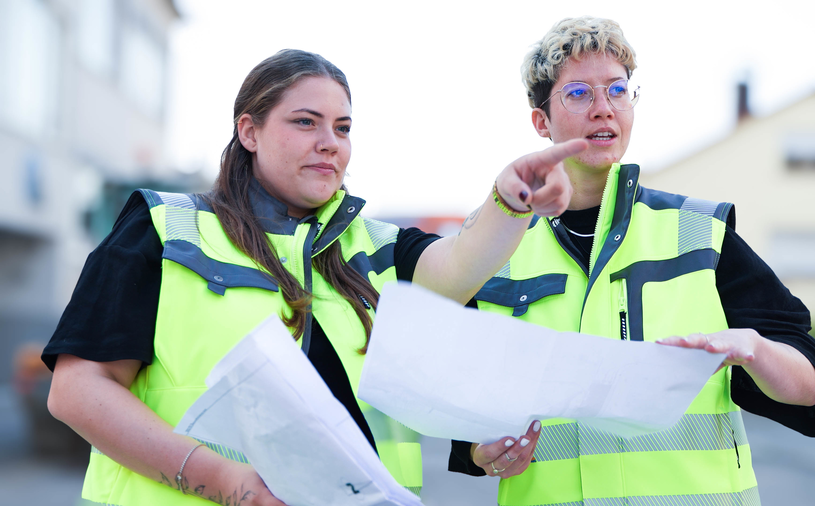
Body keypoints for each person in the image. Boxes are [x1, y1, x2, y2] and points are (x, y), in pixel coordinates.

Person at [43, 49, 586, 506]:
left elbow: (458, 268)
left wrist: (511, 201)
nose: (331, 142)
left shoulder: (376, 246)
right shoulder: (165, 227)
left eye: (343, 128)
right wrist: (229, 483)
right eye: (306, 122)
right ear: (249, 131)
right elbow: (77, 390)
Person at [448, 17, 815, 505]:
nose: (604, 109)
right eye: (578, 94)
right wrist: (480, 451)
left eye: (617, 90)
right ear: (541, 121)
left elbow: (812, 389)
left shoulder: (701, 232)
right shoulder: (490, 247)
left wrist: (754, 349)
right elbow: (459, 410)